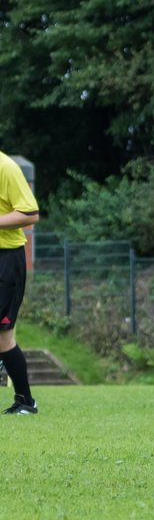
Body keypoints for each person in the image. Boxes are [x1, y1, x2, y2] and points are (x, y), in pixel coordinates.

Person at [0, 151, 41, 415]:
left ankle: (25, 401)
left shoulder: (6, 167)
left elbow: (30, 213)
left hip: (6, 260)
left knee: (3, 337)